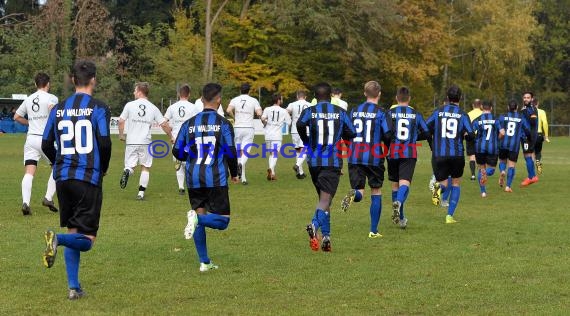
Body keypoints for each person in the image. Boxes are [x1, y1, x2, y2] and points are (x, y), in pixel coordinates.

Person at [41, 60, 112, 300]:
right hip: (87, 177)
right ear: (94, 80)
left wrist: (56, 162)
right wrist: (103, 168)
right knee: (87, 239)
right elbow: (104, 141)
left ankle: (74, 288)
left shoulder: (57, 109)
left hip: (62, 178)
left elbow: (45, 143)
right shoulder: (99, 108)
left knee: (74, 229)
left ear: (73, 80)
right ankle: (57, 239)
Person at [173, 83, 239, 272]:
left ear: (202, 100)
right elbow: (230, 152)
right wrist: (234, 173)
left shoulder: (189, 123)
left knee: (198, 212)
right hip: (215, 178)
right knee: (222, 221)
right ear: (219, 99)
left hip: (193, 178)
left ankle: (204, 262)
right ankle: (197, 221)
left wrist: (190, 155)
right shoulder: (223, 124)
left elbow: (177, 151)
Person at [297, 82, 356, 252]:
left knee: (324, 200)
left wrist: (307, 141)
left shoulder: (310, 111)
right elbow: (352, 133)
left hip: (314, 162)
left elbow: (300, 124)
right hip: (332, 161)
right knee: (325, 199)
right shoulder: (340, 112)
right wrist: (341, 134)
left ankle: (327, 238)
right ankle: (314, 225)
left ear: (315, 97)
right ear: (331, 96)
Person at [339, 81, 390, 238]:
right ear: (379, 94)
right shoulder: (381, 112)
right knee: (376, 190)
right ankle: (373, 231)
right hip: (374, 157)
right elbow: (388, 134)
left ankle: (354, 194)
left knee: (359, 191)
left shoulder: (354, 111)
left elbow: (345, 131)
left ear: (364, 93)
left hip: (355, 156)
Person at [426, 85, 474, 224]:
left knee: (444, 183)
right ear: (460, 98)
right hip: (457, 154)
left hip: (440, 154)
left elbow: (425, 127)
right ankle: (449, 216)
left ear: (447, 97)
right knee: (456, 183)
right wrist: (465, 134)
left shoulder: (438, 112)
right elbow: (471, 135)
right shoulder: (463, 114)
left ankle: (438, 188)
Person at [13, 72, 59, 215]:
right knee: (58, 166)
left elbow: (16, 117)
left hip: (31, 139)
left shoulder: (29, 99)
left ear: (35, 84)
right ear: (48, 84)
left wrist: (29, 122)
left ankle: (26, 202)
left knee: (29, 171)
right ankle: (48, 197)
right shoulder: (52, 98)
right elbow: (53, 113)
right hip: (45, 140)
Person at [118, 82, 173, 200]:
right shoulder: (153, 108)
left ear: (139, 92)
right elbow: (164, 124)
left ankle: (127, 171)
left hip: (131, 141)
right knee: (145, 167)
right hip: (145, 142)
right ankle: (141, 193)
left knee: (130, 166)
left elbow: (121, 121)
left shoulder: (129, 105)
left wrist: (121, 135)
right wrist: (171, 136)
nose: (133, 92)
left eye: (134, 90)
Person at [385, 87, 430, 229]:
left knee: (395, 185)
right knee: (404, 184)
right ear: (409, 98)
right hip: (408, 153)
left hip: (393, 152)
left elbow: (385, 133)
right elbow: (427, 132)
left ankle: (401, 218)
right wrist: (415, 136)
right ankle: (398, 203)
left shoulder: (390, 113)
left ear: (397, 98)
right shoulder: (415, 114)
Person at [164, 84, 200, 195]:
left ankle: (181, 187)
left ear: (179, 94)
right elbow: (198, 123)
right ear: (189, 94)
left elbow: (164, 123)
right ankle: (190, 185)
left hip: (176, 139)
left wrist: (170, 136)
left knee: (178, 162)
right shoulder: (194, 107)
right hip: (189, 139)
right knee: (190, 162)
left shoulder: (172, 107)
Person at [226, 83, 262, 185]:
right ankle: (240, 164)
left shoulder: (235, 99)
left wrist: (234, 117)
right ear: (249, 91)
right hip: (249, 127)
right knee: (245, 151)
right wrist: (258, 114)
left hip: (237, 127)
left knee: (238, 152)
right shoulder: (253, 100)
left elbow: (228, 110)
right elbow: (259, 113)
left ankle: (243, 178)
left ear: (240, 90)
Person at [472, 100, 505, 198]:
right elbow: (502, 132)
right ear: (491, 108)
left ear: (482, 107)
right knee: (491, 170)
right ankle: (485, 173)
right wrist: (497, 138)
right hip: (492, 147)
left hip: (479, 147)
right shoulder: (496, 119)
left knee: (481, 168)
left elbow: (471, 132)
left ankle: (483, 192)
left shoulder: (477, 119)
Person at [498, 100, 530, 192]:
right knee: (511, 166)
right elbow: (527, 130)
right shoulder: (521, 118)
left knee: (502, 161)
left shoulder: (502, 117)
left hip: (503, 144)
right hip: (514, 145)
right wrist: (528, 137)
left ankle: (502, 171)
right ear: (517, 108)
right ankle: (508, 186)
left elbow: (498, 128)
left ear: (508, 107)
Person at [261, 93, 291, 181]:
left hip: (268, 134)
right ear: (278, 100)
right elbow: (289, 122)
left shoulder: (267, 109)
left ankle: (272, 174)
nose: (281, 101)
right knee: (275, 154)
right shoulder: (283, 111)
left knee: (271, 153)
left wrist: (266, 122)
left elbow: (263, 119)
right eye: (281, 99)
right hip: (277, 135)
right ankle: (270, 168)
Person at [286, 90, 312, 179]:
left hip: (294, 130)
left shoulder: (292, 104)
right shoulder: (310, 104)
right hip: (306, 130)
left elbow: (287, 112)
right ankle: (297, 165)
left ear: (297, 96)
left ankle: (300, 173)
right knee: (305, 150)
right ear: (305, 97)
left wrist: (290, 120)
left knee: (298, 150)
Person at [520, 91, 539, 187]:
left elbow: (533, 121)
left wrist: (527, 135)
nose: (526, 99)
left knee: (527, 156)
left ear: (532, 99)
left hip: (528, 137)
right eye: (524, 97)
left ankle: (531, 177)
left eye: (528, 97)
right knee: (528, 156)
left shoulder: (531, 109)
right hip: (527, 136)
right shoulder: (526, 108)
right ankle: (533, 176)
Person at [466, 99, 483, 180]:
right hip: (481, 136)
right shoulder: (483, 114)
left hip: (471, 135)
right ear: (480, 105)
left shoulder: (468, 114)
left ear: (473, 105)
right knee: (480, 155)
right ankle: (481, 174)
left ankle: (473, 175)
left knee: (472, 156)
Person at [534, 98, 549, 175]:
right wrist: (546, 136)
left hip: (531, 135)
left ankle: (531, 174)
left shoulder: (528, 112)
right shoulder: (542, 112)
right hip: (539, 135)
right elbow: (545, 123)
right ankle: (538, 161)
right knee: (538, 151)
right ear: (538, 103)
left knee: (529, 153)